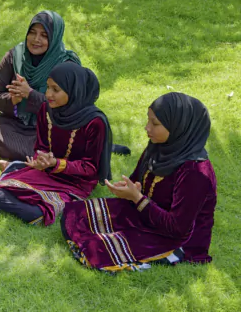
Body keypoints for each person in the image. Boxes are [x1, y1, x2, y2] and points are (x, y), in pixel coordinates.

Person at [61, 93, 216, 271]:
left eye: (155, 124)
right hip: (144, 214)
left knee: (96, 249)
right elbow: (137, 179)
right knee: (75, 213)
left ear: (179, 127)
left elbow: (177, 228)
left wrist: (137, 199)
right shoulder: (158, 147)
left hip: (175, 238)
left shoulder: (196, 172)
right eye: (148, 121)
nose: (147, 127)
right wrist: (129, 189)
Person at [0, 12, 129, 167]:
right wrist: (13, 100)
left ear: (54, 37)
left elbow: (72, 107)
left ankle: (64, 152)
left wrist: (30, 94)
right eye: (32, 33)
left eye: (44, 35)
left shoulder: (66, 65)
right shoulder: (14, 56)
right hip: (17, 124)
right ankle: (38, 157)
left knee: (54, 149)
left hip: (56, 128)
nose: (36, 40)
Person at [0, 62, 113, 226]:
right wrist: (41, 160)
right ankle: (20, 177)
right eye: (48, 87)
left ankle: (43, 209)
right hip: (47, 172)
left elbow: (90, 168)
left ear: (73, 91)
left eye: (56, 89)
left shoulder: (95, 123)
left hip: (76, 182)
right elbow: (41, 147)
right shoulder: (46, 110)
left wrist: (57, 164)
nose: (48, 94)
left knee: (14, 196)